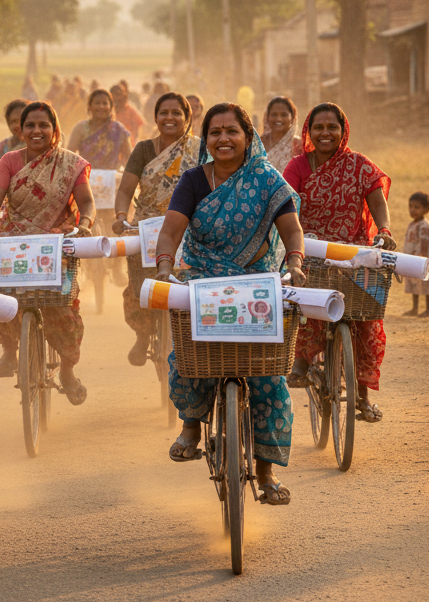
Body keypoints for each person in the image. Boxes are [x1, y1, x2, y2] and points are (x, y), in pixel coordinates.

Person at [154, 103, 306, 506]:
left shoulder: (266, 179)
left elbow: (291, 230)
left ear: (247, 136)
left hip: (256, 287)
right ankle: (191, 425)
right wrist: (166, 268)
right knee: (191, 356)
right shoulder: (192, 181)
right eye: (215, 132)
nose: (223, 138)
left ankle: (266, 472)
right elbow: (170, 232)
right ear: (206, 140)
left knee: (269, 379)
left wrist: (295, 264)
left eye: (231, 131)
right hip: (203, 280)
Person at [283, 102, 394, 423]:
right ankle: (301, 362)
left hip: (354, 255)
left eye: (332, 127)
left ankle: (362, 397)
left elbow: (377, 200)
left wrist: (384, 230)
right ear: (308, 131)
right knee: (305, 306)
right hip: (312, 251)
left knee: (365, 321)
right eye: (318, 127)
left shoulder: (359, 165)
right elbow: (287, 202)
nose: (325, 133)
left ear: (343, 131)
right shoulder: (298, 166)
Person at [0, 101, 96, 405]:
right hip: (13, 243)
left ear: (54, 129)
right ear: (20, 129)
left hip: (56, 245)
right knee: (0, 297)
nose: (36, 131)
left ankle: (68, 372)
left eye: (43, 125)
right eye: (30, 125)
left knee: (65, 309)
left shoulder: (70, 164)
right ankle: (9, 351)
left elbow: (86, 203)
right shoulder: (9, 161)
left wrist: (85, 223)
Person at [112, 92, 200, 365]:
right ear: (156, 117)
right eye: (164, 113)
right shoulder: (144, 149)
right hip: (147, 228)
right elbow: (126, 188)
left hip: (190, 225)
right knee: (141, 288)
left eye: (177, 113)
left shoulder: (200, 150)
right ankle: (143, 334)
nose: (170, 118)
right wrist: (121, 215)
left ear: (187, 118)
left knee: (190, 288)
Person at [68, 88, 132, 170]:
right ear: (89, 107)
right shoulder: (81, 128)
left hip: (112, 179)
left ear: (111, 107)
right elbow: (69, 157)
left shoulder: (119, 129)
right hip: (85, 179)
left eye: (105, 103)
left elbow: (129, 159)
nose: (101, 107)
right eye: (97, 103)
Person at [402, 191, 429, 317]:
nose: (412, 210)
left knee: (426, 284)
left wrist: (420, 257)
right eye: (410, 207)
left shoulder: (425, 226)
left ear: (426, 209)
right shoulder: (413, 224)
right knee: (413, 283)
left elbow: (424, 245)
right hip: (412, 259)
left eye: (417, 207)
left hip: (422, 260)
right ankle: (414, 308)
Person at [0, 98, 29, 187]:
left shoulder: (40, 144)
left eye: (21, 120)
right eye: (13, 121)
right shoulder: (4, 147)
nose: (17, 125)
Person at [260, 96, 303, 173]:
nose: (279, 119)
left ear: (292, 118)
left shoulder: (299, 146)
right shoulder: (259, 143)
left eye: (284, 115)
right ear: (267, 117)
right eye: (274, 115)